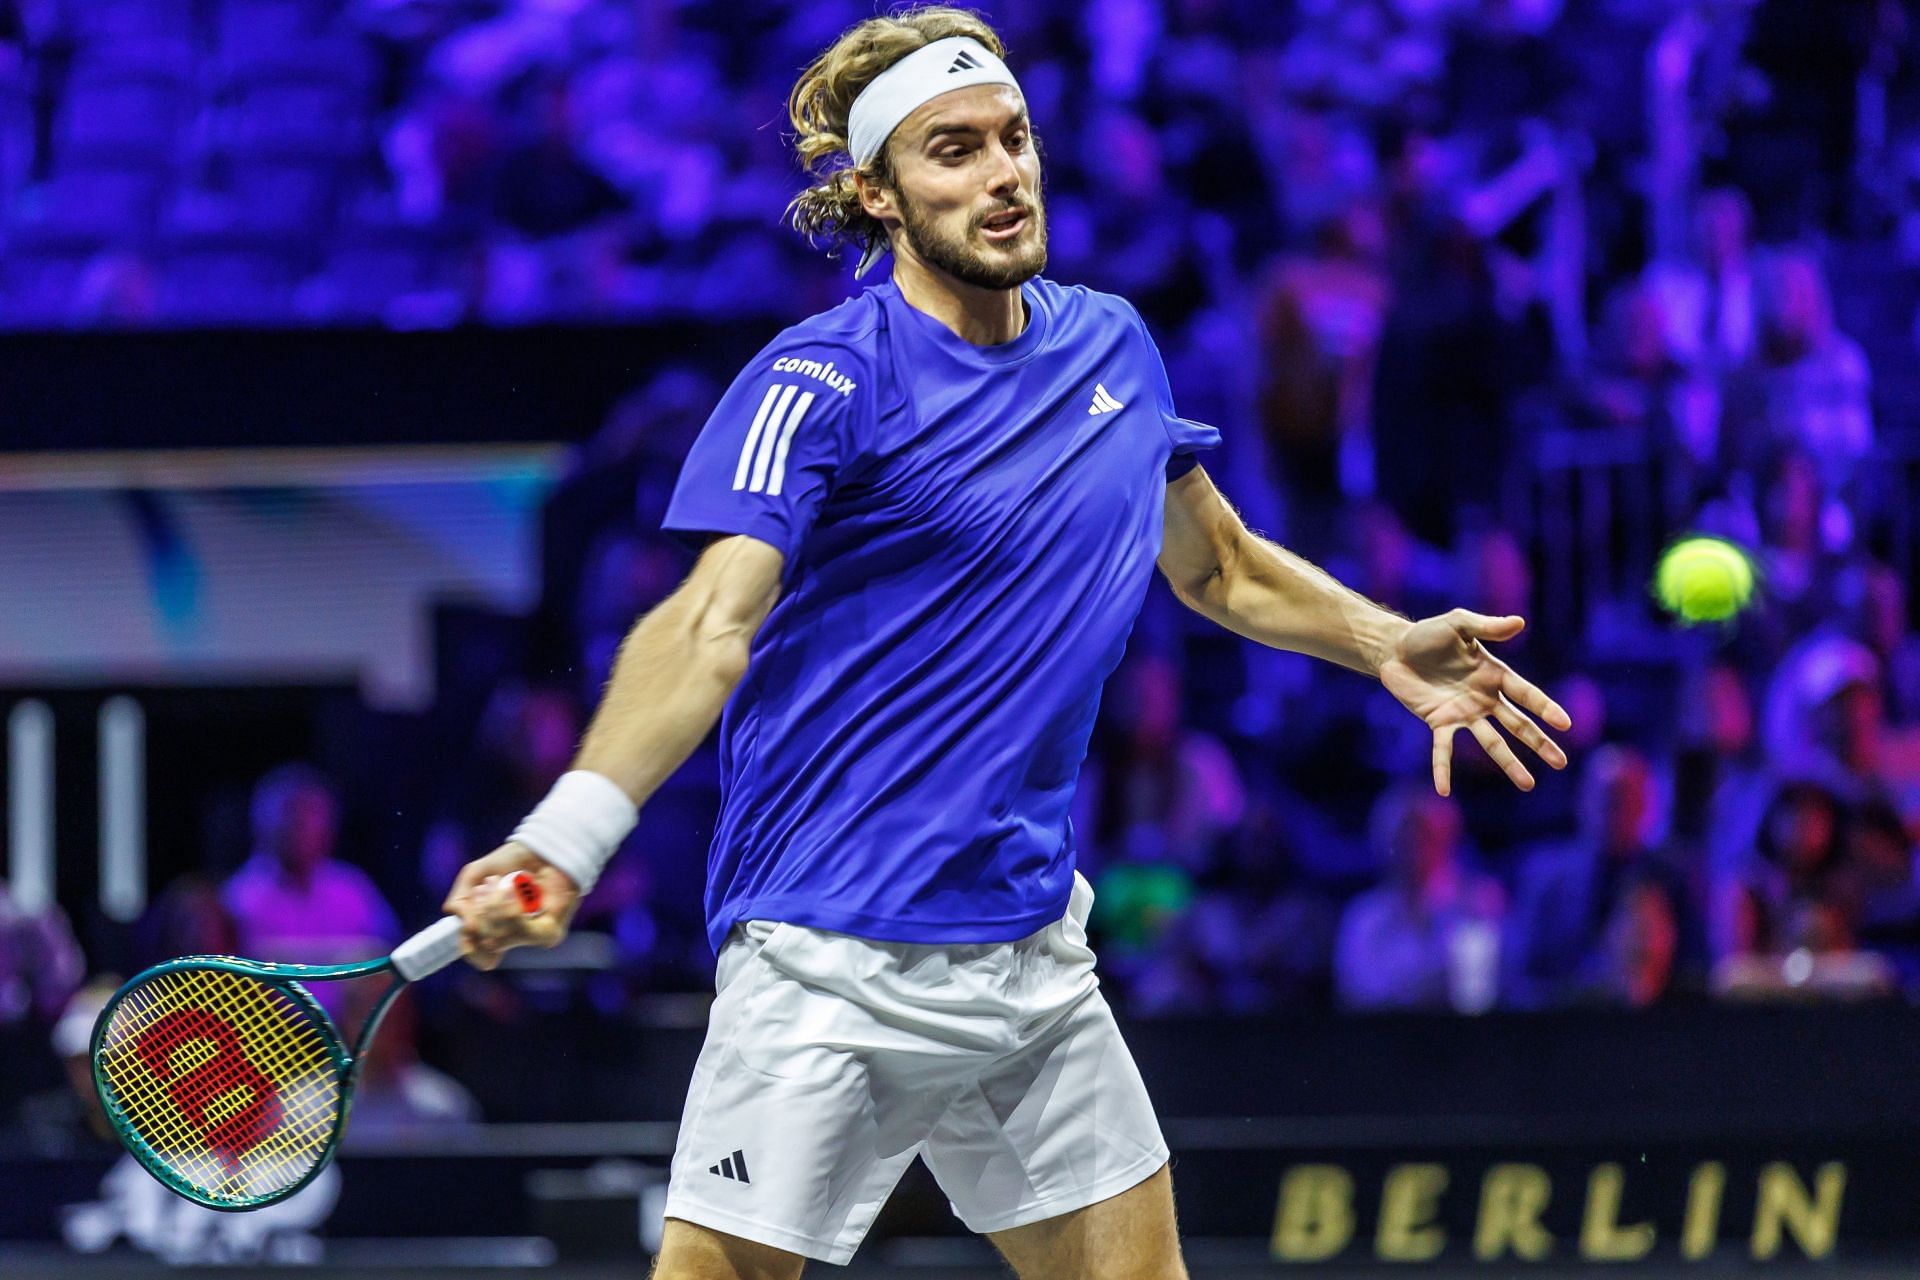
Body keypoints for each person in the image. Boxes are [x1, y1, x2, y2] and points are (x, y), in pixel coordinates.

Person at [441, 9, 1571, 1277]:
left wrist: (1381, 644)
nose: (1001, 175)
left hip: (1027, 950)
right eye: (953, 151)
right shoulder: (820, 379)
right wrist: (567, 833)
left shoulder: (1113, 348)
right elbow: (710, 621)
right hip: (831, 953)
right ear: (876, 192)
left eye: (1014, 140)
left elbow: (1222, 565)